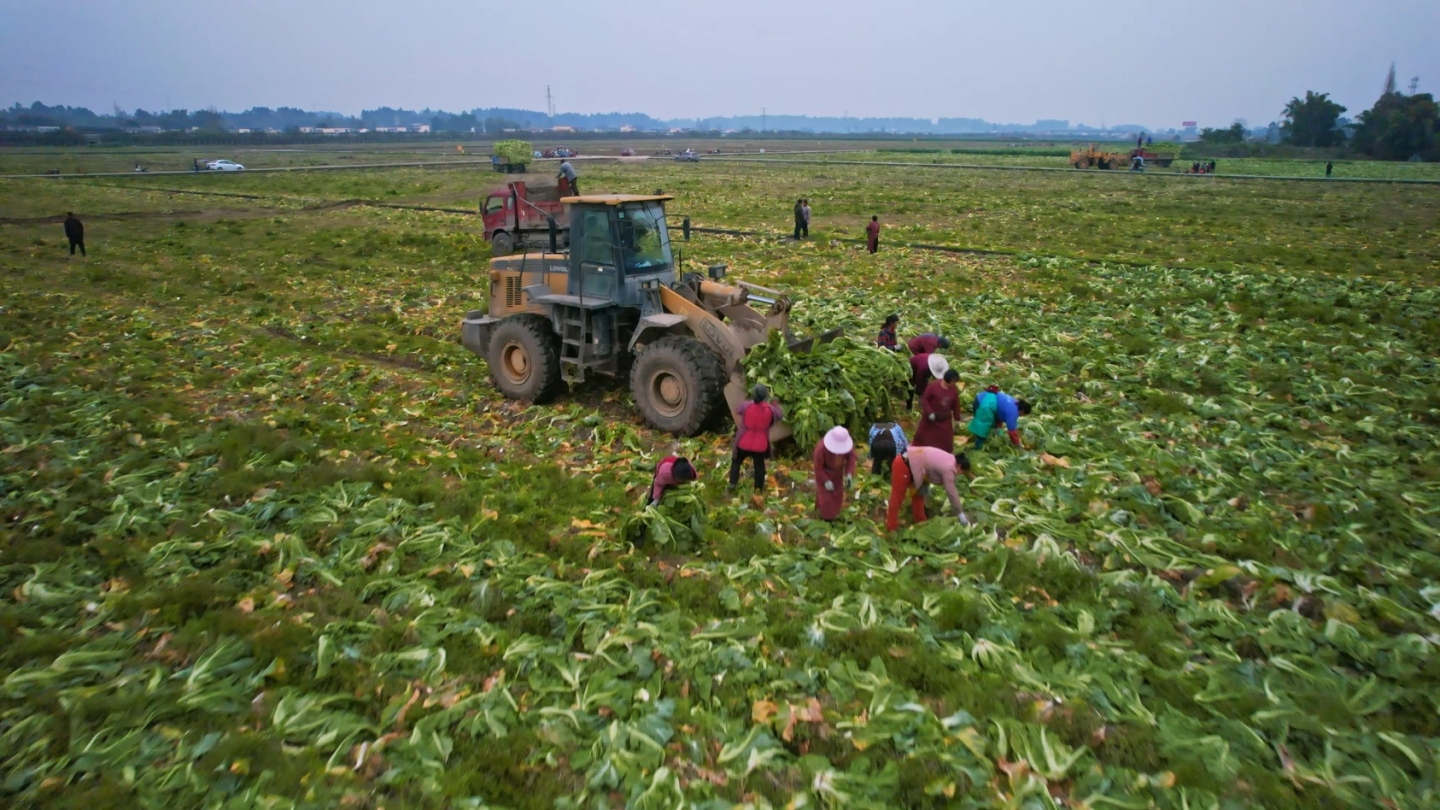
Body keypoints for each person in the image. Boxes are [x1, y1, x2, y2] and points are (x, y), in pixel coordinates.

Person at [885, 446, 972, 531]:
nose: (959, 475)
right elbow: (951, 493)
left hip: (918, 468)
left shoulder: (951, 458)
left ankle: (920, 521)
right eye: (961, 472)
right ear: (959, 466)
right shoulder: (949, 468)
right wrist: (960, 513)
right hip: (904, 464)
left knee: (919, 495)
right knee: (897, 497)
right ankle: (891, 526)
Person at [729, 385, 783, 495]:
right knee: (759, 467)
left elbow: (738, 409)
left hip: (744, 442)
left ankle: (732, 485)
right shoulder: (770, 409)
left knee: (736, 462)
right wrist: (775, 404)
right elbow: (780, 415)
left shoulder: (747, 406)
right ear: (765, 397)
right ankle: (758, 490)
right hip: (760, 445)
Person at [812, 427, 857, 521]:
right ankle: (826, 519)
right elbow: (818, 467)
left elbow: (851, 458)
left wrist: (849, 473)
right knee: (825, 498)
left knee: (837, 495)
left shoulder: (848, 446)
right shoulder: (821, 448)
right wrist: (825, 480)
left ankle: (833, 513)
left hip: (838, 473)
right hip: (825, 473)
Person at [915, 369, 963, 453]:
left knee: (945, 440)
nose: (954, 384)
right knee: (924, 437)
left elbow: (956, 403)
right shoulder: (933, 386)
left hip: (944, 420)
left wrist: (957, 417)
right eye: (954, 382)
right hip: (931, 419)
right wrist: (929, 412)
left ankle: (942, 454)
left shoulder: (953, 389)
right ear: (950, 380)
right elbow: (925, 399)